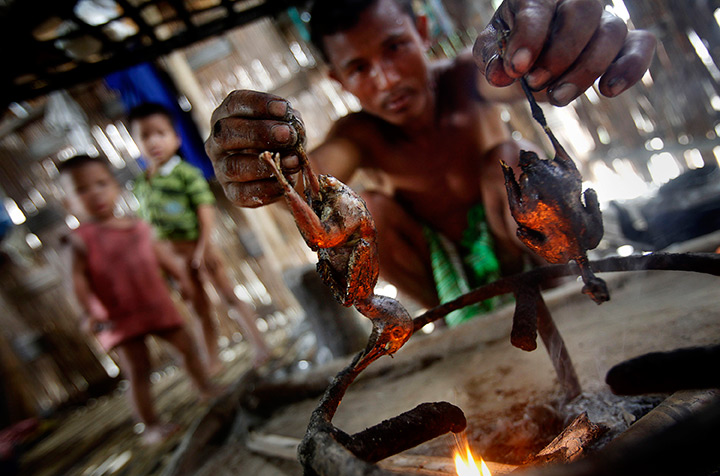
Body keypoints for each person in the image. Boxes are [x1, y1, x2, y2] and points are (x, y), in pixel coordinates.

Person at [204, 0, 656, 325]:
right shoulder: (360, 134)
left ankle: (558, 280)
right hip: (443, 280)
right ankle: (446, 318)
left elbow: (521, 81)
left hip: (520, 248)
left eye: (396, 47)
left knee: (511, 157)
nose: (387, 79)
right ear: (337, 78)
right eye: (359, 68)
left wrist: (559, 54)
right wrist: (266, 167)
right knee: (368, 210)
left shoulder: (467, 79)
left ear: (422, 31)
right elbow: (308, 186)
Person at [61, 154, 219, 445]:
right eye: (82, 190)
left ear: (115, 187)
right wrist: (88, 313)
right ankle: (150, 425)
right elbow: (77, 282)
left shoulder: (139, 227)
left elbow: (164, 257)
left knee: (187, 347)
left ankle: (205, 388)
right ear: (68, 203)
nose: (95, 193)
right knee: (137, 370)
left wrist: (182, 280)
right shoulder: (80, 239)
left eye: (101, 184)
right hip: (117, 316)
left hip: (156, 305)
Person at [129, 103, 272, 369]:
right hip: (172, 257)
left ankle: (260, 346)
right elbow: (147, 228)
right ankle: (212, 362)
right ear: (135, 143)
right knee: (197, 307)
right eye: (145, 136)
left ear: (176, 138)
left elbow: (205, 210)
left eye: (160, 133)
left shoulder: (186, 173)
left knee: (228, 295)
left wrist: (204, 248)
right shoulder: (141, 184)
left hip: (198, 246)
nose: (154, 141)